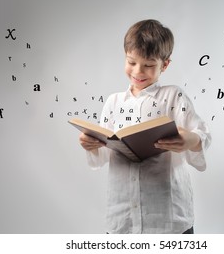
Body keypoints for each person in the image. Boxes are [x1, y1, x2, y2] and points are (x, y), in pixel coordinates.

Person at [78, 19, 211, 234]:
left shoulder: (173, 96)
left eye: (149, 65)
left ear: (164, 65)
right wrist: (91, 144)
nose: (138, 71)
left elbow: (202, 134)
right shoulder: (114, 102)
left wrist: (190, 140)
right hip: (122, 218)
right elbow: (102, 154)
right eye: (131, 62)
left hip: (168, 217)